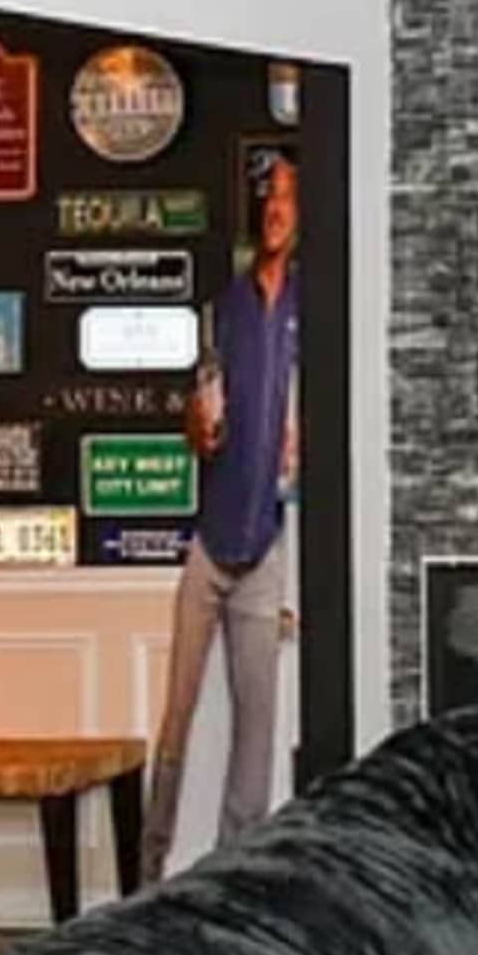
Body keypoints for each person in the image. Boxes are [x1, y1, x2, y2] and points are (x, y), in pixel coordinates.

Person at [140, 149, 301, 879]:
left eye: (288, 197)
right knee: (175, 715)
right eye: (269, 196)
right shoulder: (227, 305)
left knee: (256, 730)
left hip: (267, 541)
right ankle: (149, 871)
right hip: (210, 539)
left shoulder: (313, 306)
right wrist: (198, 425)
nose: (276, 208)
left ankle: (240, 876)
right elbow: (197, 413)